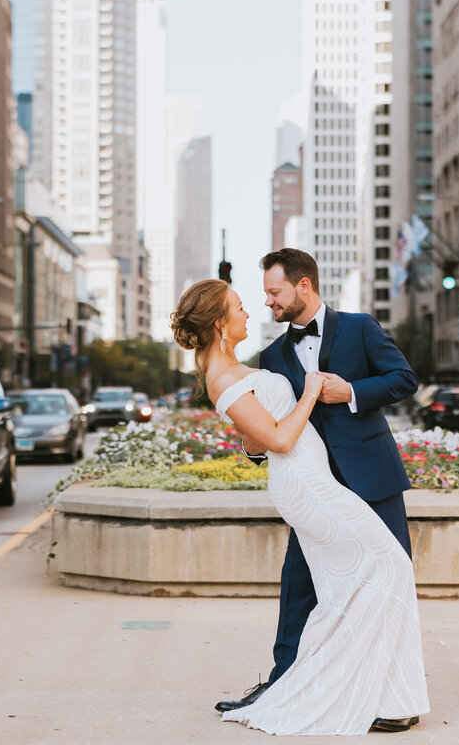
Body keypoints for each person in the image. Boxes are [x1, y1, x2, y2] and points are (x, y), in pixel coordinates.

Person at [189, 251, 428, 735]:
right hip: (315, 489)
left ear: (303, 285)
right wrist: (259, 446)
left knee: (388, 582)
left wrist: (351, 392)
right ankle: (285, 684)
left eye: (274, 292)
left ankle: (389, 693)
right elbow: (265, 425)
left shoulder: (360, 327)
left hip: (371, 478)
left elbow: (405, 379)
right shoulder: (272, 355)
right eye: (260, 295)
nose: (267, 302)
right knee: (299, 589)